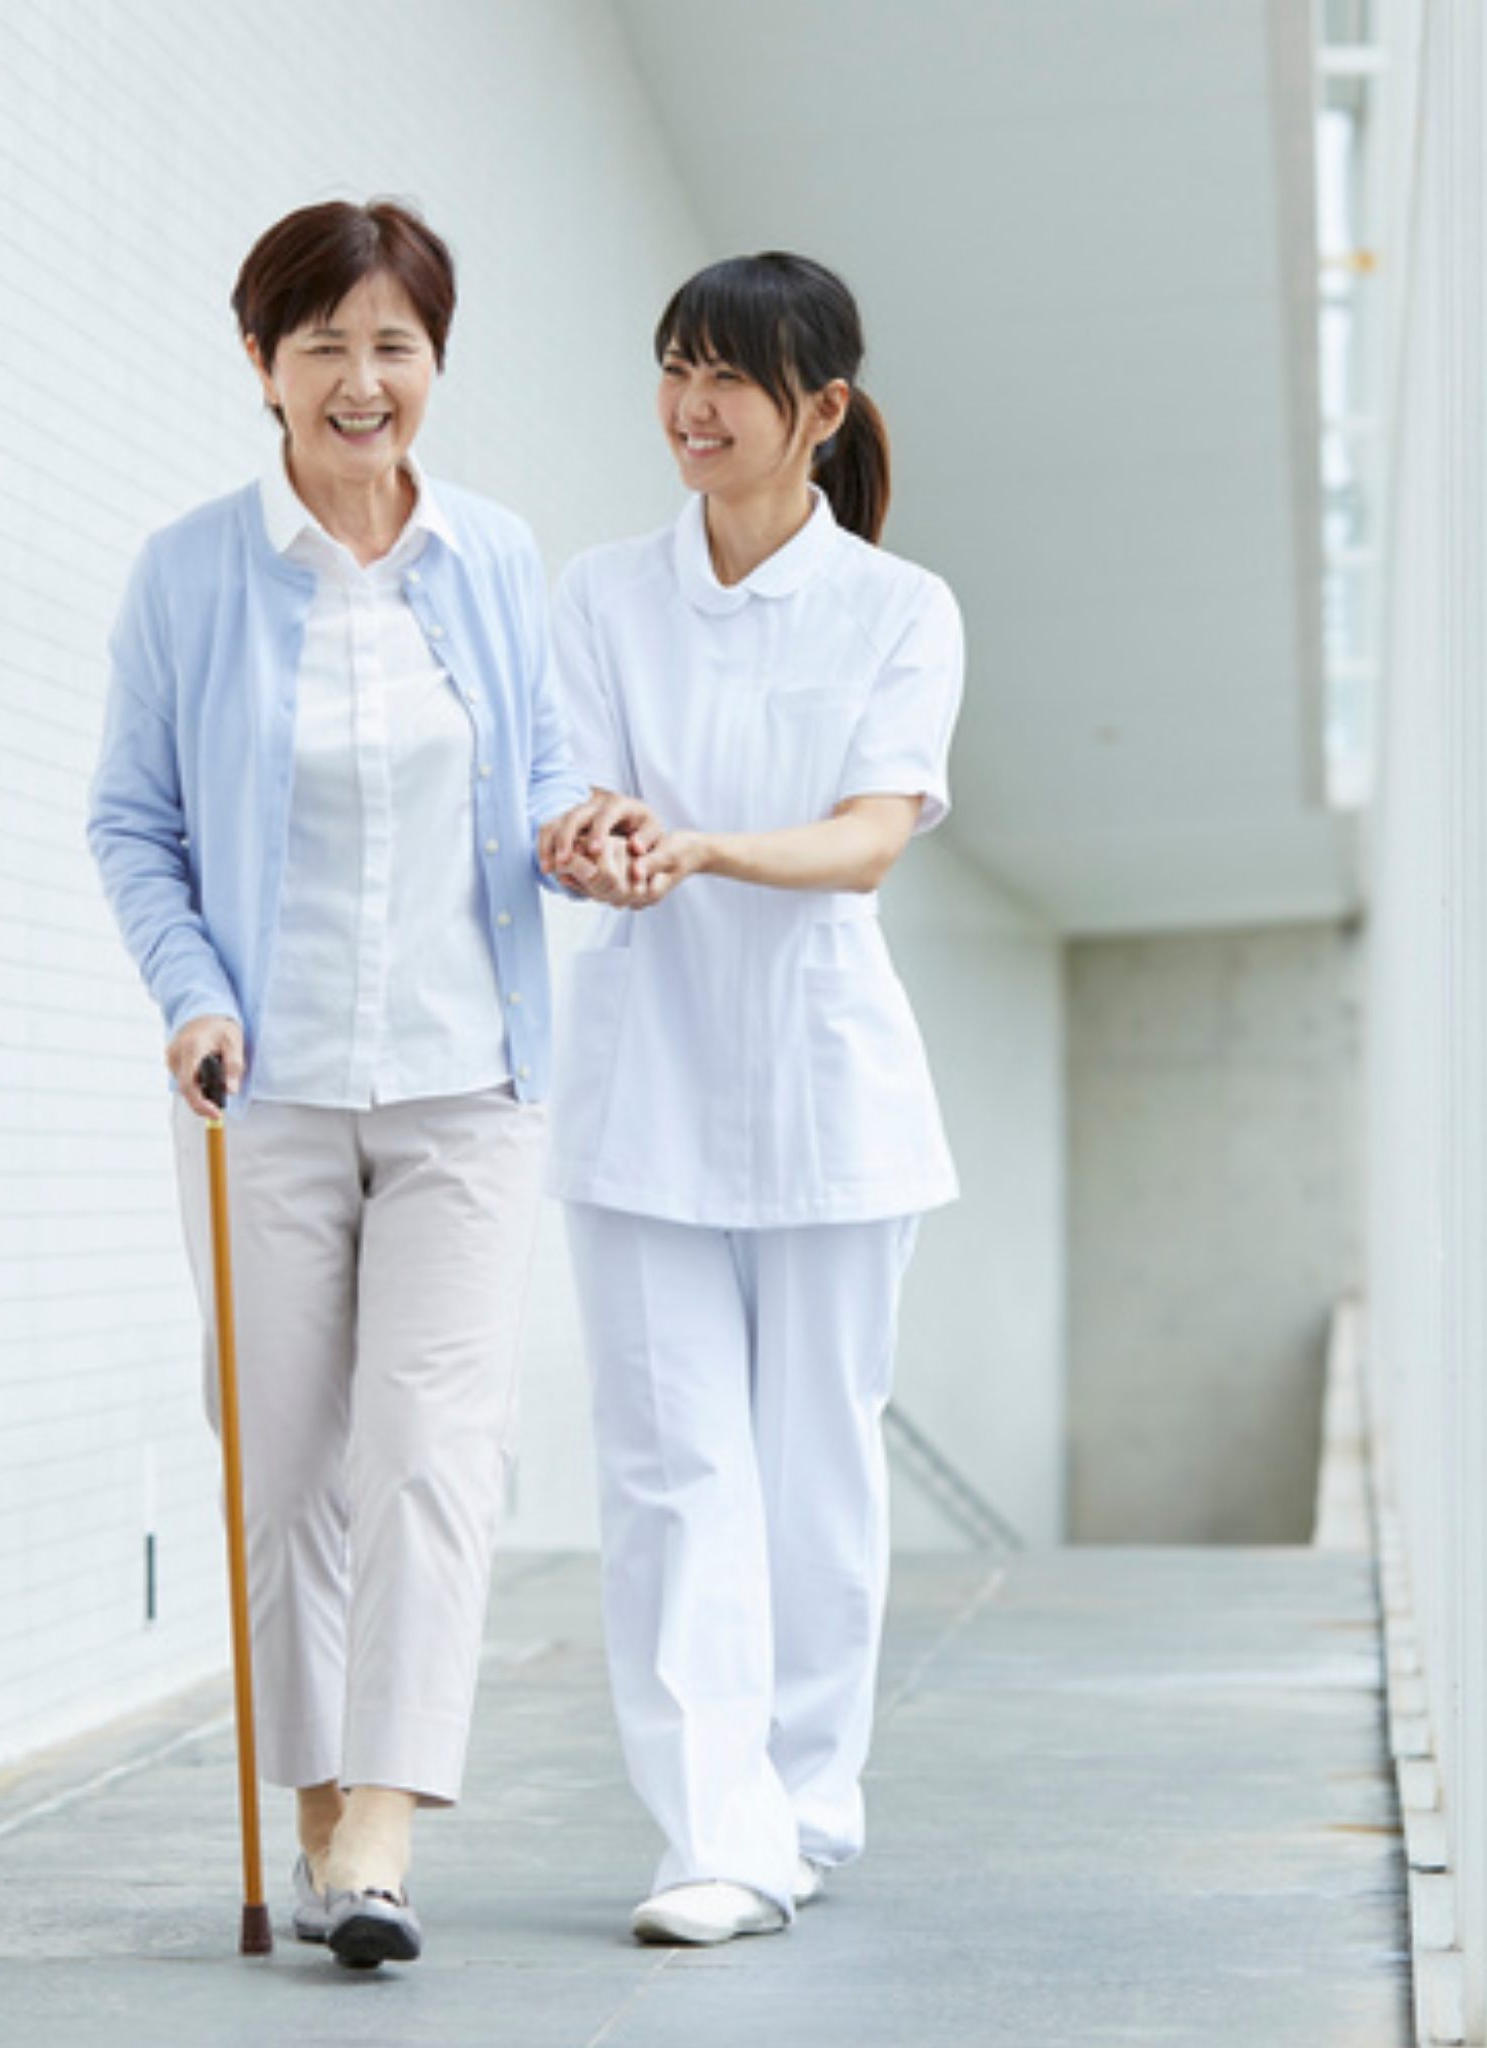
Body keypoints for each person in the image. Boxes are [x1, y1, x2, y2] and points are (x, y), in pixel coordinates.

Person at [86, 199, 585, 1970]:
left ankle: (380, 1832)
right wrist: (193, 994)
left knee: (433, 1452)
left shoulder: (500, 560)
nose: (363, 383)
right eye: (327, 346)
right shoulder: (190, 573)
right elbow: (134, 824)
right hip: (265, 1089)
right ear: (261, 363)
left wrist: (577, 838)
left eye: (397, 347)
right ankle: (306, 1821)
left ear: (433, 364)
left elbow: (542, 771)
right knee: (285, 1466)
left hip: (471, 1081)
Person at [538, 252, 965, 1947]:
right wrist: (592, 841)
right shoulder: (599, 592)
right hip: (640, 1098)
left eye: (728, 378)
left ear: (822, 412)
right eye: (673, 369)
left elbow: (869, 839)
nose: (691, 407)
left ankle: (802, 1802)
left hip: (828, 1104)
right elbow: (567, 797)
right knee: (665, 1475)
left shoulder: (901, 608)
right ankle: (711, 1835)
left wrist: (705, 842)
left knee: (809, 1477)